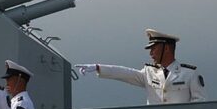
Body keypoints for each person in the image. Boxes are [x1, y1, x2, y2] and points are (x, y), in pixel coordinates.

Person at [75, 29, 207, 104]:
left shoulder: (189, 74)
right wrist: (98, 67)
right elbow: (125, 73)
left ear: (166, 49)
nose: (151, 53)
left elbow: (199, 104)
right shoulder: (149, 73)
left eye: (154, 49)